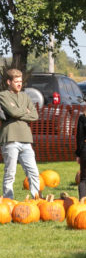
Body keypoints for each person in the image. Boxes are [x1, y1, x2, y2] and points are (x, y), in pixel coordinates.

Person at [0, 68, 41, 199]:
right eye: (16, 81)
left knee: (33, 171)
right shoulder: (3, 95)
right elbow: (13, 113)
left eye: (20, 81)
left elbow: (35, 115)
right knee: (10, 172)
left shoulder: (25, 96)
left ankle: (36, 199)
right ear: (8, 82)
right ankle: (8, 200)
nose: (19, 84)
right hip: (10, 138)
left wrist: (17, 111)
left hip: (26, 139)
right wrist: (25, 111)